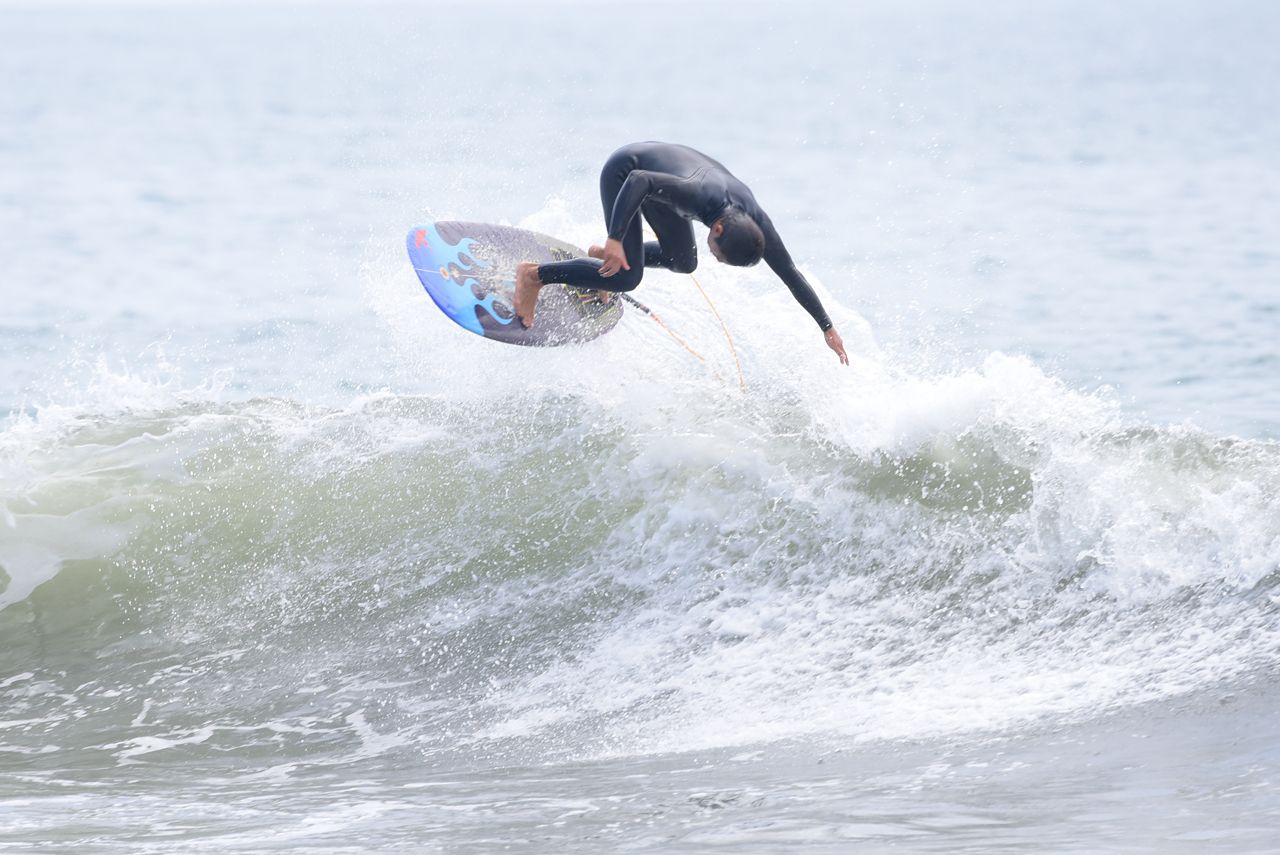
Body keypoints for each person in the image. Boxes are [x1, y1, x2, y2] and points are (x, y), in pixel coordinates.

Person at [513, 142, 849, 364]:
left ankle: (608, 260)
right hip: (626, 174)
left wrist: (827, 327)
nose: (716, 258)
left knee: (685, 261)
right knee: (628, 279)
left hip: (659, 187)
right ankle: (535, 276)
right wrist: (616, 237)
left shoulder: (755, 224)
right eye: (720, 255)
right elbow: (638, 180)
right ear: (718, 230)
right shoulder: (696, 196)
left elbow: (789, 272)